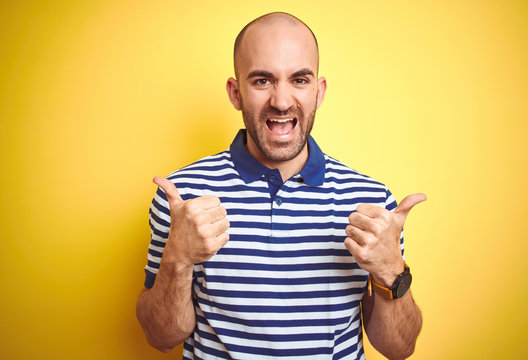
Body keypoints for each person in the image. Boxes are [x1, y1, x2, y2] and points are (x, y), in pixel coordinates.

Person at [136, 12, 425, 360]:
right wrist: (177, 260)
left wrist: (391, 271)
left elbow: (399, 348)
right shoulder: (182, 197)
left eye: (299, 80)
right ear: (235, 92)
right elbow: (161, 336)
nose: (282, 101)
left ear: (318, 92)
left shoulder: (371, 201)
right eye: (262, 81)